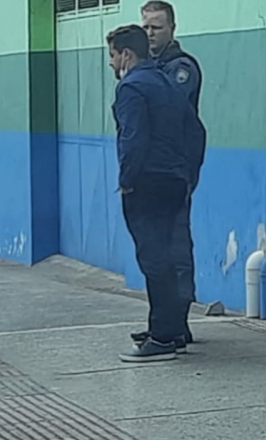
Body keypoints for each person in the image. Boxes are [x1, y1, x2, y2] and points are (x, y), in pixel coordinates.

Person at [107, 24, 205, 363]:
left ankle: (162, 337)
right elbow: (195, 131)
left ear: (127, 54)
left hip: (147, 183)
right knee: (167, 255)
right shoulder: (166, 81)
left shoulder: (131, 87)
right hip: (174, 180)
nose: (111, 63)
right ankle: (172, 328)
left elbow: (133, 139)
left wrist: (127, 179)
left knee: (154, 260)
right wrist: (188, 175)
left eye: (113, 55)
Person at [136, 0, 205, 347]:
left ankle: (178, 322)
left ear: (172, 29)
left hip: (175, 170)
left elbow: (165, 110)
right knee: (156, 250)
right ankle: (165, 320)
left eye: (157, 27)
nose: (150, 34)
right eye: (146, 27)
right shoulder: (148, 68)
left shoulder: (181, 69)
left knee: (176, 245)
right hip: (157, 171)